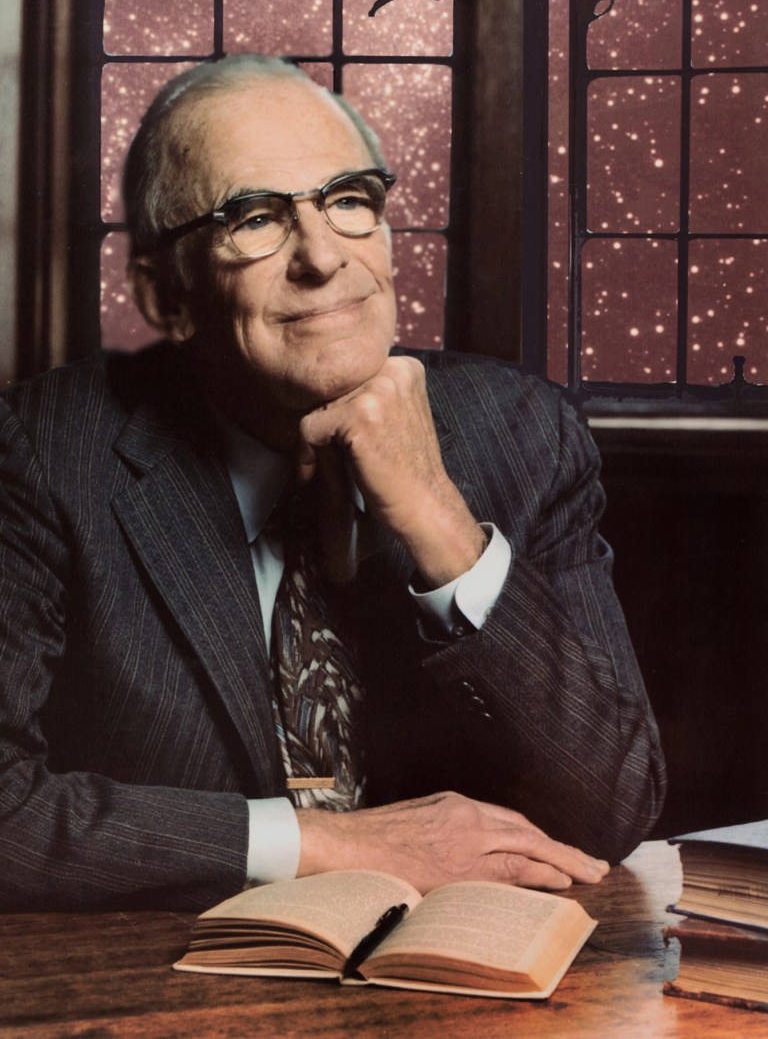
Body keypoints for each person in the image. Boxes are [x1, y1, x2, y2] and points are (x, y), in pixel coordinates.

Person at [0, 55, 665, 911]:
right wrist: (324, 843)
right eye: (255, 219)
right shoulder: (47, 451)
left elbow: (612, 808)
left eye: (348, 199)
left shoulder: (523, 432)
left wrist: (438, 518)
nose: (322, 256)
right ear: (168, 298)